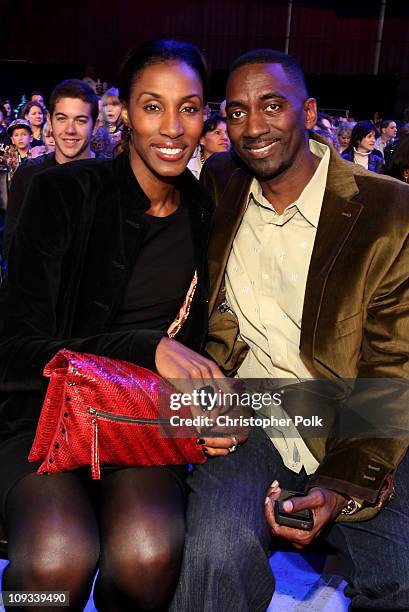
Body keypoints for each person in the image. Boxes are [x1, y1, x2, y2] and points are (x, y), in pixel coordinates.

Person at [170, 48, 409, 611]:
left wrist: (342, 487)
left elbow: (392, 369)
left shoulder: (388, 213)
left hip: (355, 412)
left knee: (400, 576)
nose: (253, 127)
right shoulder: (222, 182)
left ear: (309, 111)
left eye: (272, 105)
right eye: (235, 112)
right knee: (214, 556)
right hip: (252, 405)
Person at [0, 38, 231, 611]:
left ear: (206, 115)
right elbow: (12, 349)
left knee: (148, 552)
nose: (173, 127)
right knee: (56, 561)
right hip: (39, 419)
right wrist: (143, 345)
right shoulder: (64, 193)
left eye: (190, 107)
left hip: (140, 422)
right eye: (153, 106)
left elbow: (213, 341)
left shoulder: (209, 215)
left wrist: (220, 408)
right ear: (123, 111)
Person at [4, 79, 101, 260]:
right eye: (61, 119)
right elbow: (12, 248)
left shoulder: (114, 176)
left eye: (80, 120)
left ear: (95, 126)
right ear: (50, 121)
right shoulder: (28, 177)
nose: (70, 129)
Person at [188, 113, 230, 178]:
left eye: (228, 133)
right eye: (217, 132)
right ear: (202, 140)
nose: (225, 137)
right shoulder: (188, 169)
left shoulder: (237, 169)